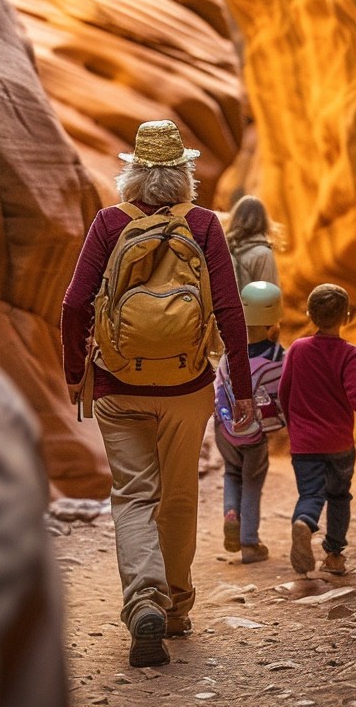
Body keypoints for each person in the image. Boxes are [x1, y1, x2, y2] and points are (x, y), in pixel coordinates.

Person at [61, 120, 253, 668]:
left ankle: (143, 600)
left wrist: (77, 371)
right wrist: (240, 386)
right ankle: (174, 608)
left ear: (133, 174)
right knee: (178, 495)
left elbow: (75, 306)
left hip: (118, 386)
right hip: (187, 386)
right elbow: (229, 309)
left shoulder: (108, 223)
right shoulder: (203, 225)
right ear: (184, 176)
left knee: (133, 495)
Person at [278, 284, 356, 576]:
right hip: (339, 443)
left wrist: (295, 427)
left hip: (304, 443)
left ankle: (304, 521)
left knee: (310, 494)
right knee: (339, 496)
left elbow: (284, 391)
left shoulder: (298, 349)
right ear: (347, 317)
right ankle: (333, 555)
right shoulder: (349, 353)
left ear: (309, 314)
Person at [214, 281, 286, 565]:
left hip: (226, 429)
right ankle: (249, 542)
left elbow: (218, 386)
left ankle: (231, 513)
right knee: (252, 481)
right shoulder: (281, 358)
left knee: (232, 473)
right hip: (255, 435)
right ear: (273, 327)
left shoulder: (229, 354)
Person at [225, 194, 280, 291]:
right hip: (251, 306)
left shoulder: (225, 249)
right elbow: (268, 295)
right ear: (263, 220)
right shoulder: (263, 254)